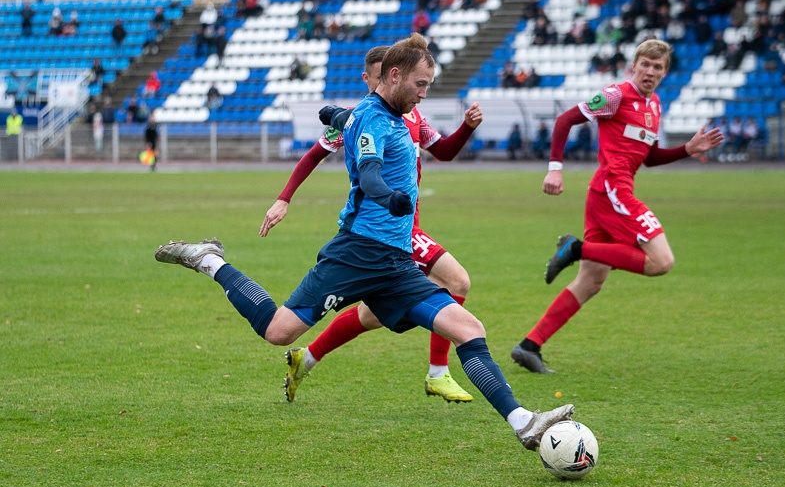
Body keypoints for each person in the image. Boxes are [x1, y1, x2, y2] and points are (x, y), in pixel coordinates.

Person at [155, 33, 575, 451]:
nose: (424, 94)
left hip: (395, 263)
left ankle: (525, 423)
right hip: (356, 253)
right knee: (279, 331)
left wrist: (334, 114)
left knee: (468, 327)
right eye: (420, 85)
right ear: (394, 75)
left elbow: (350, 122)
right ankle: (209, 260)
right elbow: (371, 172)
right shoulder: (375, 119)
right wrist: (388, 196)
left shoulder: (383, 115)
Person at [259, 45, 484, 404]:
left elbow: (444, 152)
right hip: (391, 231)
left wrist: (467, 127)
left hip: (401, 227)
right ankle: (438, 373)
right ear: (374, 79)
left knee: (371, 315)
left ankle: (308, 357)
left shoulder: (412, 117)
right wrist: (284, 197)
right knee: (457, 280)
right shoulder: (361, 118)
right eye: (378, 76)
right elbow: (315, 154)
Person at [510, 39, 724, 374]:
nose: (650, 72)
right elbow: (565, 119)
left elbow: (649, 158)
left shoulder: (654, 106)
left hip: (607, 194)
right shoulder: (616, 94)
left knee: (592, 281)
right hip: (613, 190)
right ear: (634, 65)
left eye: (658, 67)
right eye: (645, 65)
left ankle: (529, 346)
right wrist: (555, 167)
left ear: (665, 72)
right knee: (661, 261)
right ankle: (576, 248)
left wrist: (688, 148)